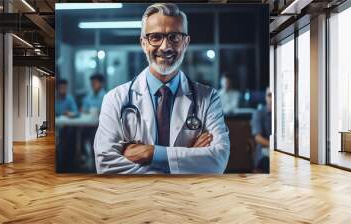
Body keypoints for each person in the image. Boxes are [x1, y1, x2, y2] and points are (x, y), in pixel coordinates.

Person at [94, 3, 230, 174]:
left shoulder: (209, 98)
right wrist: (187, 158)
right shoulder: (115, 99)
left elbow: (217, 161)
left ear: (185, 43)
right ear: (144, 43)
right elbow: (106, 166)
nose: (165, 47)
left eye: (174, 37)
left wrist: (150, 153)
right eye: (156, 37)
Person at [251, 87, 271, 172]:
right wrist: (274, 146)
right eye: (269, 95)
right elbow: (257, 138)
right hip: (264, 152)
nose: (272, 98)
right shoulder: (258, 113)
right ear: (266, 97)